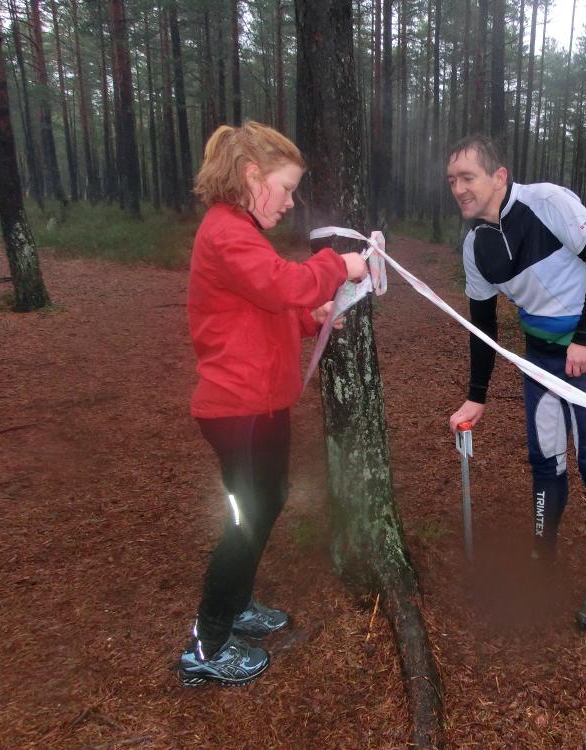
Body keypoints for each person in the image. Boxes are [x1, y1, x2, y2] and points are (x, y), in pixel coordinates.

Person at [178, 121, 368, 686]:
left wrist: (312, 318)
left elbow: (265, 305)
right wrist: (338, 266)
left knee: (267, 501)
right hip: (236, 409)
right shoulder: (225, 232)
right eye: (285, 189)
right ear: (251, 175)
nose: (289, 203)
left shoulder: (239, 231)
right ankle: (208, 645)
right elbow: (282, 284)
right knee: (246, 518)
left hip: (259, 405)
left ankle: (237, 606)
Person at [445, 135, 586, 630]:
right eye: (452, 180)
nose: (458, 189)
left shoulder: (548, 201)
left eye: (468, 177)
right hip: (541, 357)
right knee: (545, 460)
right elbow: (484, 327)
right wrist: (476, 396)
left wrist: (585, 338)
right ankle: (542, 555)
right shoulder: (476, 246)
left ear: (498, 176)